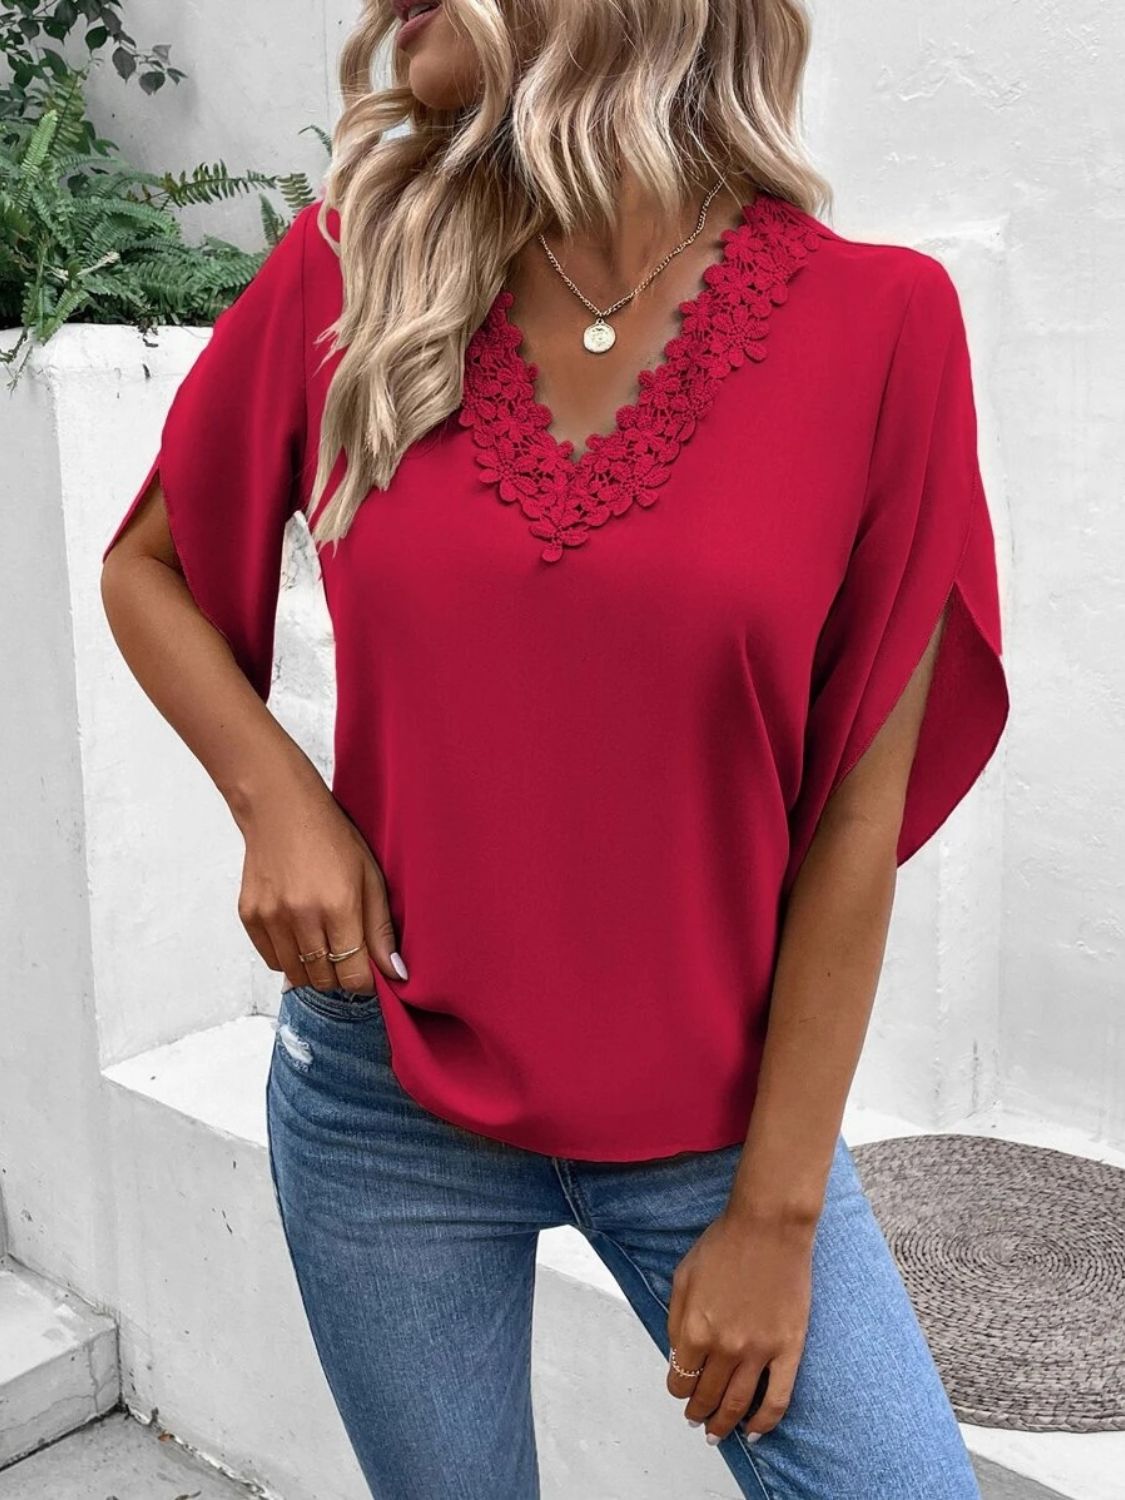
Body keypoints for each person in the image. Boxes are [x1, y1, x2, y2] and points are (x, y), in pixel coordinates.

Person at [99, 1, 1010, 1496]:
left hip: (718, 1117)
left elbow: (858, 816)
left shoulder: (882, 323)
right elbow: (148, 570)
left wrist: (776, 1215)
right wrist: (280, 804)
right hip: (383, 1093)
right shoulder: (359, 268)